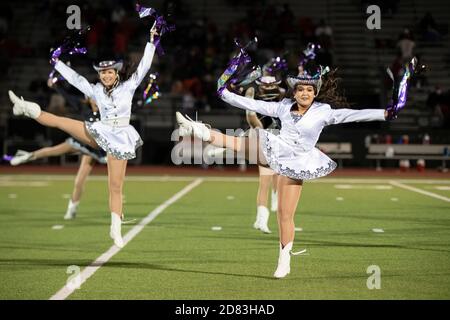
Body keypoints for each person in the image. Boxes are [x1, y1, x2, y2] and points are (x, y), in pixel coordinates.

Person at [176, 64, 402, 278]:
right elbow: (252, 105)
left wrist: (385, 113)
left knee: (285, 215)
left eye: (309, 90)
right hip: (276, 148)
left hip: (299, 161)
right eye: (301, 89)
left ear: (315, 93)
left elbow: (354, 115)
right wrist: (224, 93)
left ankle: (284, 261)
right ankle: (199, 130)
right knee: (241, 143)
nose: (304, 93)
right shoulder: (282, 107)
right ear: (294, 92)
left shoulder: (324, 111)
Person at [8, 24, 160, 248]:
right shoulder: (96, 90)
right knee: (62, 122)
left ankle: (115, 229)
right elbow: (76, 80)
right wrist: (57, 63)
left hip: (120, 136)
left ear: (116, 73)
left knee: (115, 187)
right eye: (102, 73)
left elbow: (145, 66)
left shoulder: (128, 86)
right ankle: (25, 107)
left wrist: (151, 40)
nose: (106, 76)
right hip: (101, 130)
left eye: (109, 72)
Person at [9, 97, 106, 220]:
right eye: (94, 98)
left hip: (96, 149)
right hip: (82, 142)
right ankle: (28, 156)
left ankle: (73, 209)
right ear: (89, 99)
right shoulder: (84, 109)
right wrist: (56, 85)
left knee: (79, 181)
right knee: (54, 150)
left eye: (98, 97)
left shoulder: (106, 111)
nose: (96, 100)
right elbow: (70, 97)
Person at [245, 76, 285, 233]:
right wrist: (249, 103)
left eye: (271, 86)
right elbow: (254, 122)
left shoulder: (282, 98)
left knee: (278, 175)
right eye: (265, 87)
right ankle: (261, 219)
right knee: (264, 183)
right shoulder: (255, 99)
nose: (268, 89)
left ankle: (275, 200)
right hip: (265, 141)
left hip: (279, 141)